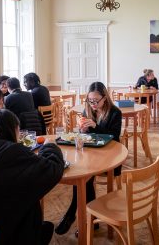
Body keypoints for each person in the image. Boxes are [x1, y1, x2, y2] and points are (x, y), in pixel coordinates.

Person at [0, 109, 65, 245]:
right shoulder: (12, 152)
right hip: (0, 235)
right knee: (32, 203)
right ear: (14, 129)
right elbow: (53, 170)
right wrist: (49, 146)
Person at [55, 81, 122, 236]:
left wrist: (95, 126)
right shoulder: (88, 110)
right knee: (83, 174)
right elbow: (87, 137)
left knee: (85, 176)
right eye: (89, 100)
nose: (92, 104)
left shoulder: (114, 112)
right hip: (92, 153)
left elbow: (114, 137)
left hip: (111, 157)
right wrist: (83, 129)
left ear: (105, 98)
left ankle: (72, 214)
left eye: (95, 101)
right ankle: (90, 221)